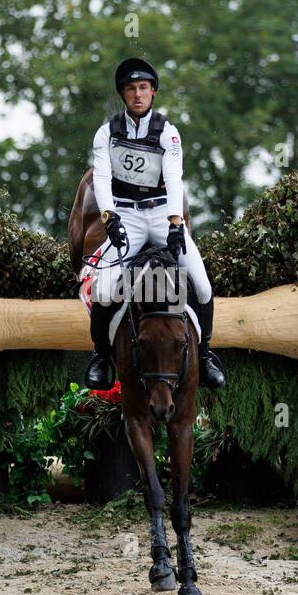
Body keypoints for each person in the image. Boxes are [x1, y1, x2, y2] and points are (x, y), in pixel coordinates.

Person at [85, 57, 226, 391]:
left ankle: (205, 354)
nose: (138, 95)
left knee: (202, 285)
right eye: (131, 89)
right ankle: (101, 357)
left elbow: (174, 178)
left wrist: (176, 224)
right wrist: (110, 218)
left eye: (143, 88)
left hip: (162, 214)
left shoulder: (168, 132)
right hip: (127, 216)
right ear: (123, 94)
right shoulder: (107, 132)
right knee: (104, 289)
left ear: (153, 92)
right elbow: (102, 179)